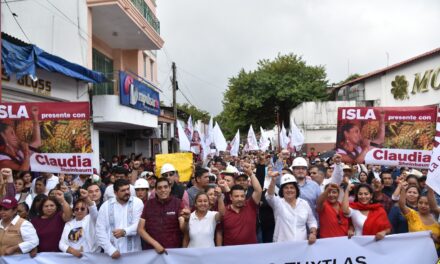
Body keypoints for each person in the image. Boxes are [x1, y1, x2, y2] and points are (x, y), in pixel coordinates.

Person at [137, 178, 190, 254]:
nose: (163, 190)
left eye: (165, 187)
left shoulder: (178, 203)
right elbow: (140, 229)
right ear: (155, 190)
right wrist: (155, 244)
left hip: (173, 251)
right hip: (152, 251)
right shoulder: (148, 204)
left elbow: (183, 229)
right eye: (159, 188)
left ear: (170, 189)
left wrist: (186, 221)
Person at [96, 179, 144, 259]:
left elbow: (139, 225)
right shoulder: (105, 206)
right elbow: (100, 230)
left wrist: (125, 232)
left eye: (128, 189)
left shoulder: (138, 202)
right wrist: (110, 250)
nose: (127, 192)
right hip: (112, 255)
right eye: (123, 190)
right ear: (115, 193)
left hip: (134, 253)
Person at [266, 173, 317, 243]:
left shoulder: (304, 203)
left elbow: (312, 221)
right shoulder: (278, 202)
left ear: (296, 190)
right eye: (286, 188)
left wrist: (313, 233)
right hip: (281, 246)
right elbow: (269, 196)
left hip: (302, 246)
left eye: (292, 187)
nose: (289, 190)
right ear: (282, 190)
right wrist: (273, 180)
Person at [221, 164, 262, 246]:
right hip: (230, 253)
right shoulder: (224, 211)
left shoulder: (250, 206)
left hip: (250, 251)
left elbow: (258, 190)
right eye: (236, 196)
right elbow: (219, 232)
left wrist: (251, 173)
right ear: (231, 197)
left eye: (242, 196)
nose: (240, 198)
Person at [399, 183, 440, 250]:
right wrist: (403, 190)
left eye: (427, 204)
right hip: (415, 252)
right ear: (417, 203)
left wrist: (436, 240)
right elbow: (402, 205)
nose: (423, 205)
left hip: (435, 255)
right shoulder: (413, 215)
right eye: (420, 203)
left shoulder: (438, 219)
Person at [59, 189, 99, 257]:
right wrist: (73, 251)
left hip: (92, 257)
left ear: (87, 210)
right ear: (73, 211)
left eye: (82, 208)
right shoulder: (69, 224)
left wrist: (86, 198)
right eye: (76, 209)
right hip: (73, 258)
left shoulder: (91, 219)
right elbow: (61, 244)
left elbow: (94, 211)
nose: (79, 211)